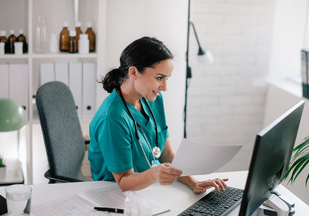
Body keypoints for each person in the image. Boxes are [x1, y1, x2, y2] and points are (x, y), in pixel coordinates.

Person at [88, 36, 228, 193]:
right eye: (160, 78)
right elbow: (123, 181)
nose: (165, 87)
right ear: (133, 72)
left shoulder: (153, 98)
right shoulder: (112, 118)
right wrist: (154, 174)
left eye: (167, 78)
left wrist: (193, 182)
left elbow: (166, 154)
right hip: (113, 195)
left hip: (149, 189)